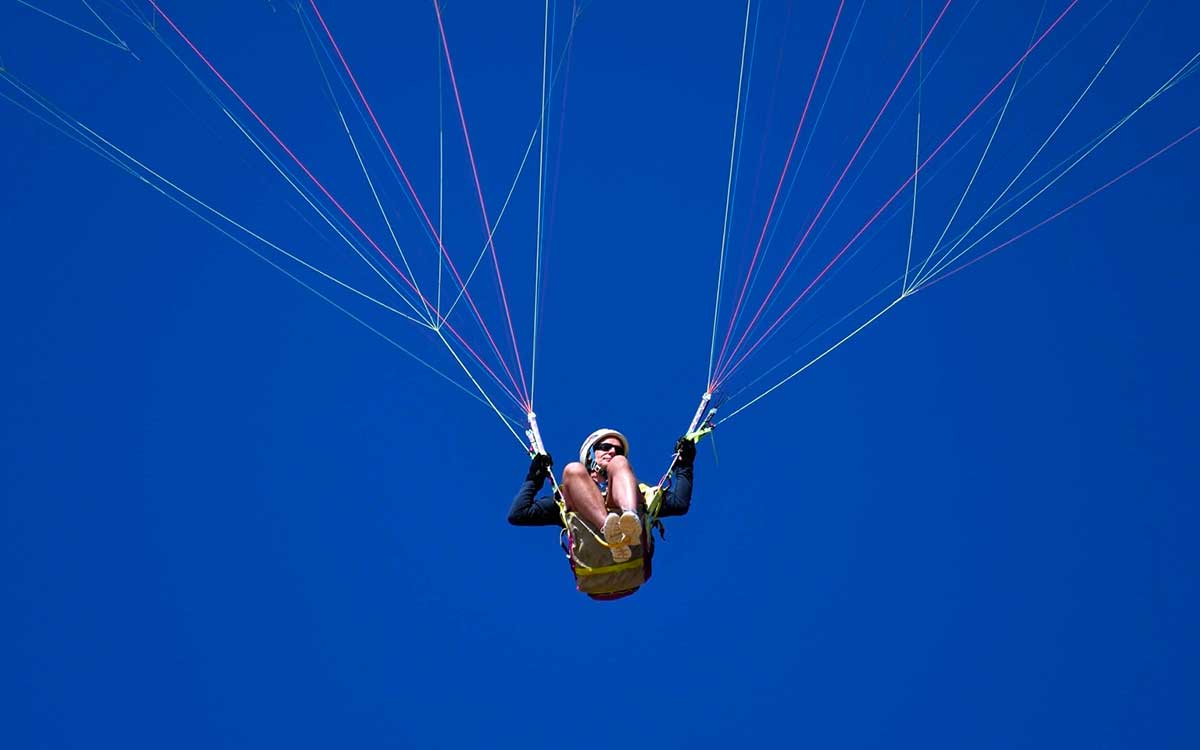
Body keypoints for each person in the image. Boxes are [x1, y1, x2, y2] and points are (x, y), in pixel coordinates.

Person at [508, 428, 696, 598]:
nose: (612, 452)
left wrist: (684, 463)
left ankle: (629, 520)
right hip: (596, 568)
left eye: (618, 450)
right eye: (605, 447)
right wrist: (535, 477)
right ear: (590, 454)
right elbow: (518, 514)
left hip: (631, 562)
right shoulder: (566, 497)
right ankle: (609, 528)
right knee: (572, 470)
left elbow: (679, 504)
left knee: (619, 464)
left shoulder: (643, 492)